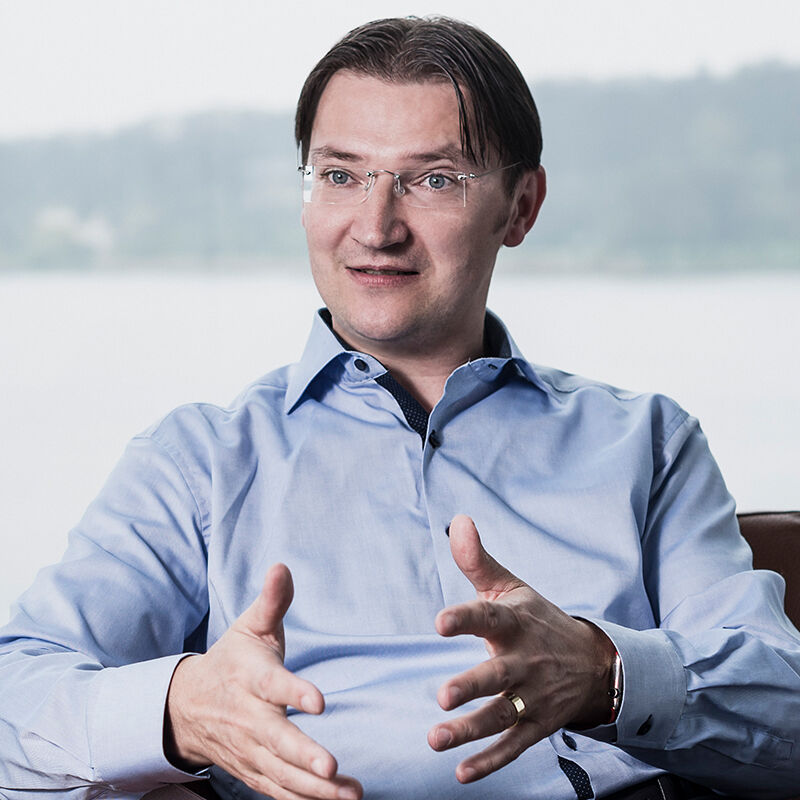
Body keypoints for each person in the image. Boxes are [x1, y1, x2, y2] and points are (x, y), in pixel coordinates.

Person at [1, 15, 799, 800]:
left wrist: (604, 673)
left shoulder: (648, 444)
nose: (376, 227)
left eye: (433, 179)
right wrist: (178, 709)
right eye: (341, 175)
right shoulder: (196, 464)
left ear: (521, 206)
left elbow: (788, 716)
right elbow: (14, 697)